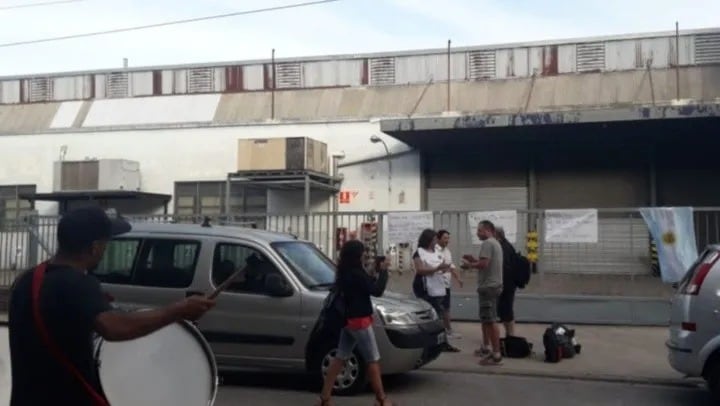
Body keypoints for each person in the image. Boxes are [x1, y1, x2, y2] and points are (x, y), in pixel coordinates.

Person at [8, 207, 216, 406]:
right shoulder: (78, 284)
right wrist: (178, 310)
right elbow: (115, 327)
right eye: (106, 244)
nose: (105, 250)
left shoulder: (27, 280)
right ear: (94, 247)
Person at [318, 240, 393, 406]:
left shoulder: (345, 271)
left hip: (347, 321)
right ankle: (381, 399)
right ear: (357, 255)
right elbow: (376, 290)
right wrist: (384, 271)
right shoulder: (356, 273)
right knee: (372, 359)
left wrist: (374, 270)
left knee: (340, 357)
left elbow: (366, 284)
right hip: (360, 321)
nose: (365, 255)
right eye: (363, 252)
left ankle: (325, 397)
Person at [462, 220, 504, 366]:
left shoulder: (487, 244)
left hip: (489, 287)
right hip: (492, 286)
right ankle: (487, 348)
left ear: (487, 230)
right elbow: (486, 263)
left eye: (479, 231)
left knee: (491, 320)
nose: (477, 233)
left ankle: (496, 354)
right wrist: (474, 260)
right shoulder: (495, 243)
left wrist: (469, 265)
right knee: (486, 319)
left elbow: (484, 264)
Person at [412, 228, 459, 352]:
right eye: (433, 239)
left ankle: (441, 342)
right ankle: (429, 342)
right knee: (430, 314)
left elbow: (441, 267)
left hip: (439, 286)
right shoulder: (419, 252)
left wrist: (444, 268)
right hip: (425, 287)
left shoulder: (437, 252)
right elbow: (420, 270)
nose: (435, 242)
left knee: (439, 314)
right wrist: (436, 268)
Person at [435, 229, 463, 339]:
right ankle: (439, 332)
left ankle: (448, 331)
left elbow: (451, 266)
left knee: (446, 308)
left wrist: (458, 279)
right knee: (438, 309)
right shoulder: (434, 251)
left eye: (448, 238)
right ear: (438, 239)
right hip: (437, 285)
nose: (447, 240)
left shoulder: (447, 251)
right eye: (445, 238)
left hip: (446, 285)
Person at [495, 226, 518, 337]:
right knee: (505, 310)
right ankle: (509, 334)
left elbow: (502, 267)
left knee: (506, 310)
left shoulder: (503, 248)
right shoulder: (506, 245)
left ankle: (511, 335)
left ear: (497, 235)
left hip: (506, 284)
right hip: (508, 283)